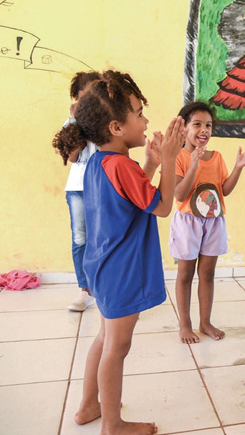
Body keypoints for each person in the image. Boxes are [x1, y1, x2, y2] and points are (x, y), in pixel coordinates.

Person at [53, 70, 186, 435]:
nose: (145, 121)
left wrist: (155, 162)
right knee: (117, 346)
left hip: (103, 267)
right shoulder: (121, 166)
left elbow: (132, 196)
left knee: (104, 338)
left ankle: (88, 406)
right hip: (121, 271)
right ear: (115, 127)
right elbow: (159, 205)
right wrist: (172, 158)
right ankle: (112, 424)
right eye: (138, 114)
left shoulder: (101, 163)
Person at [171, 101, 245, 344]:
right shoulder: (179, 157)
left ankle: (205, 321)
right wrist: (193, 165)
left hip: (214, 222)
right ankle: (185, 324)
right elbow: (179, 194)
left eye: (208, 125)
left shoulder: (216, 158)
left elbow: (224, 190)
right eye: (197, 124)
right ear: (184, 128)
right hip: (188, 223)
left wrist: (238, 168)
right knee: (185, 274)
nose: (204, 130)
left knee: (207, 273)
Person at [52, 71, 101, 312]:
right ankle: (85, 290)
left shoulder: (105, 120)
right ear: (77, 96)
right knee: (80, 239)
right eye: (86, 95)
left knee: (103, 237)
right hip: (78, 188)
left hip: (102, 186)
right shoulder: (70, 123)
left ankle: (105, 288)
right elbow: (72, 156)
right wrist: (75, 122)